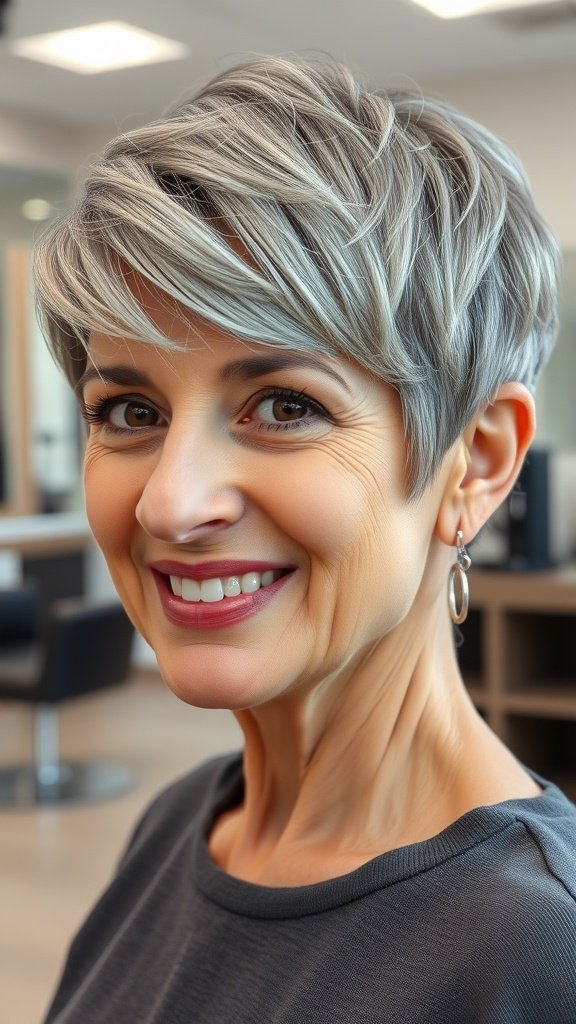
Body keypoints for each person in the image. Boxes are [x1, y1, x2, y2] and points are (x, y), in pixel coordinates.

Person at [34, 57, 576, 1024]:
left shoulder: (539, 953)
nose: (170, 503)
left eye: (284, 406)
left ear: (478, 464)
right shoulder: (179, 825)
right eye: (127, 408)